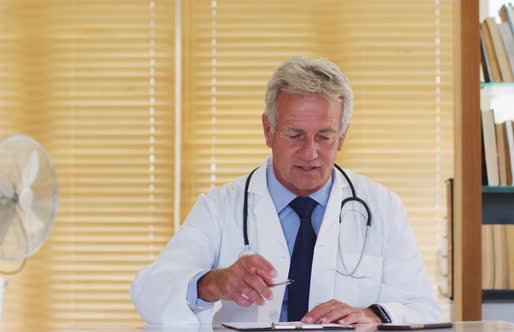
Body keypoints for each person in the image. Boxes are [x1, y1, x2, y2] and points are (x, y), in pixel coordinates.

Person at [130, 56, 443, 326]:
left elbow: (424, 310)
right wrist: (213, 283)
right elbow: (149, 293)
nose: (310, 153)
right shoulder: (219, 208)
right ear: (268, 131)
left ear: (342, 137)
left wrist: (375, 315)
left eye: (325, 136)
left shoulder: (382, 207)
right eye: (295, 135)